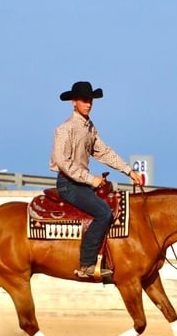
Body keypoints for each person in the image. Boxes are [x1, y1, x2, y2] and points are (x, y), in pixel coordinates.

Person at [49, 81, 141, 278]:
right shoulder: (65, 129)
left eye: (90, 100)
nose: (88, 104)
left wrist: (128, 171)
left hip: (81, 183)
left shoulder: (89, 127)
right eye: (84, 100)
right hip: (69, 184)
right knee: (103, 213)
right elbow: (63, 162)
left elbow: (104, 152)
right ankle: (87, 264)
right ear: (74, 102)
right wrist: (91, 179)